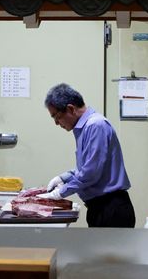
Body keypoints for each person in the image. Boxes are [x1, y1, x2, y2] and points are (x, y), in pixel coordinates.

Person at [37, 83, 136, 228]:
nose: (56, 123)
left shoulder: (95, 125)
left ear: (70, 108)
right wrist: (64, 177)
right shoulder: (84, 128)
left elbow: (90, 173)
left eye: (56, 117)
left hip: (111, 208)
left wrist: (60, 193)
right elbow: (87, 167)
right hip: (100, 207)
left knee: (110, 251)